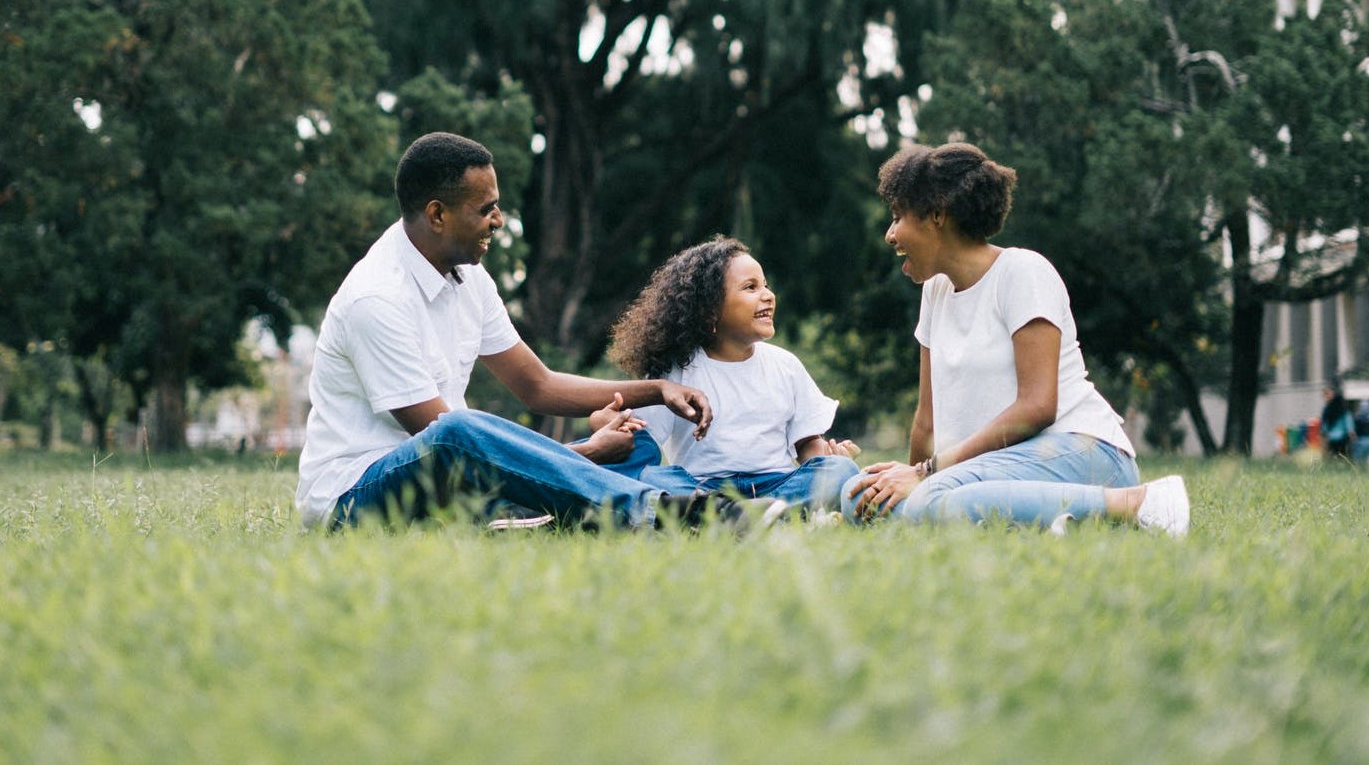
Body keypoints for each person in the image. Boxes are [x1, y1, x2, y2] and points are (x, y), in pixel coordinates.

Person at [295, 132, 777, 532]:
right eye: (486, 210)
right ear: (438, 214)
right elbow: (443, 440)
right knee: (457, 428)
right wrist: (583, 452)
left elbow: (538, 386)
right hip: (355, 498)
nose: (498, 221)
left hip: (450, 481)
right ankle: (664, 512)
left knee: (633, 450)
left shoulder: (469, 279)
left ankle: (548, 514)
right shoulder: (376, 298)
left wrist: (656, 390)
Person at [840, 141, 1190, 536]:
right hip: (990, 468)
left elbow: (1038, 407)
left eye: (897, 215)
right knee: (858, 499)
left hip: (1079, 450)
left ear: (937, 214)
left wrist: (927, 474)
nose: (890, 234)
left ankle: (1138, 503)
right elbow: (926, 421)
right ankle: (1050, 521)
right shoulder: (935, 292)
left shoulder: (1023, 272)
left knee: (932, 500)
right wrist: (904, 480)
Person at [597, 236, 861, 515]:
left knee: (840, 470)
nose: (768, 295)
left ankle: (755, 513)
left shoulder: (786, 365)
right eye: (750, 287)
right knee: (654, 478)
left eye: (765, 286)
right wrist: (609, 421)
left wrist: (824, 460)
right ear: (709, 310)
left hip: (777, 483)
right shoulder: (674, 371)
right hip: (702, 489)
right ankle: (742, 513)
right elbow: (642, 438)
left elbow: (807, 442)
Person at [1319, 384, 1357, 460]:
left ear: (1333, 394)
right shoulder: (1328, 408)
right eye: (1324, 395)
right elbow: (1324, 426)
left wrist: (1351, 433)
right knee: (1341, 460)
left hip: (1342, 439)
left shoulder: (1339, 407)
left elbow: (1347, 420)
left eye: (1327, 394)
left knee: (1343, 459)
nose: (1326, 397)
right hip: (1334, 440)